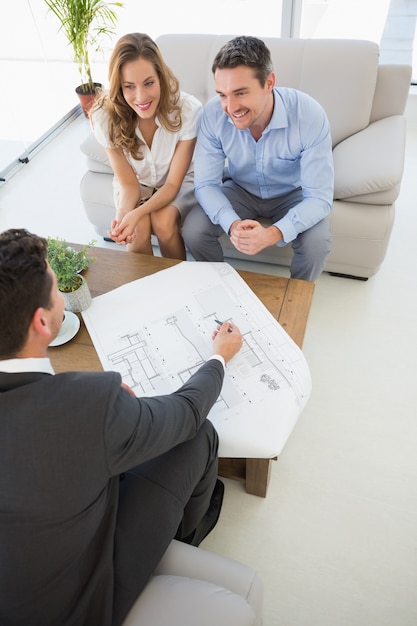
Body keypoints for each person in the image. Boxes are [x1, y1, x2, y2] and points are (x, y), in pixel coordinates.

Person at [0, 228, 242, 626]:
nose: (62, 294)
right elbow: (187, 413)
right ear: (42, 321)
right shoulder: (84, 404)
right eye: (58, 288)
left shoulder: (84, 404)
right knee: (199, 434)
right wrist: (218, 358)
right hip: (75, 603)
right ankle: (186, 537)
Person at [182, 35, 334, 281]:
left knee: (316, 245)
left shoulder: (309, 115)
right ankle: (219, 285)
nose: (230, 107)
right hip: (241, 189)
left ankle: (294, 298)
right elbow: (206, 184)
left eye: (240, 93)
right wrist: (232, 224)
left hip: (292, 194)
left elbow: (319, 197)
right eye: (223, 95)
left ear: (269, 82)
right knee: (194, 230)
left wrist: (273, 233)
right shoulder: (212, 114)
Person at [90, 33, 202, 259]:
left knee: (162, 222)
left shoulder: (188, 109)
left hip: (178, 181)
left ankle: (177, 284)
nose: (140, 97)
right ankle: (143, 289)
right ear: (119, 86)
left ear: (160, 76)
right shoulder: (104, 116)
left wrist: (138, 212)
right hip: (136, 182)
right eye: (129, 86)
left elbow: (171, 185)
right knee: (136, 228)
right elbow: (128, 183)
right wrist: (124, 216)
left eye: (149, 83)